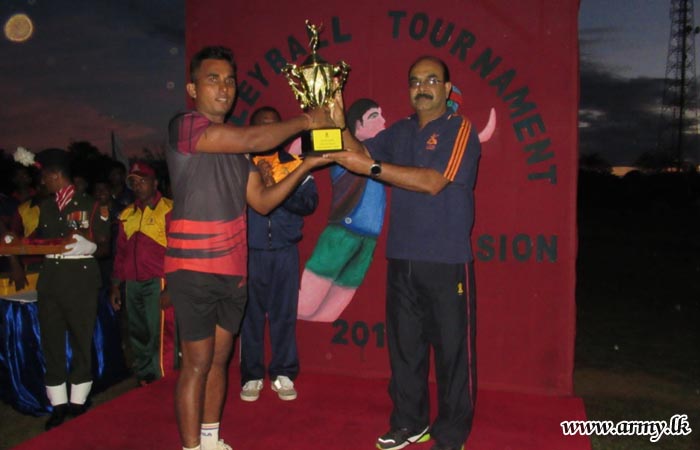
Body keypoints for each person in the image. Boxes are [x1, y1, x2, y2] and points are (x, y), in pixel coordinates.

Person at [165, 45, 332, 450]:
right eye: (213, 79)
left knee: (219, 360)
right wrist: (308, 119)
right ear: (192, 88)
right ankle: (191, 448)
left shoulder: (241, 153)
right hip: (194, 269)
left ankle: (210, 441)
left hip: (234, 270)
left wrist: (308, 165)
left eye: (230, 80)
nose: (224, 88)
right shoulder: (185, 127)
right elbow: (255, 136)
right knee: (196, 364)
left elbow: (263, 201)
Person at [326, 56, 481, 450]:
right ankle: (410, 423)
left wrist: (372, 167)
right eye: (415, 81)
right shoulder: (400, 131)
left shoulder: (459, 128)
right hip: (401, 258)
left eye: (431, 80)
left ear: (447, 89)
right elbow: (357, 151)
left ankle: (451, 435)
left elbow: (433, 182)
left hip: (446, 261)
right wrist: (338, 122)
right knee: (405, 349)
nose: (422, 87)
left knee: (452, 354)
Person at [239, 107, 318, 402]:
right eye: (262, 126)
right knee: (250, 316)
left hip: (285, 251)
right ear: (253, 130)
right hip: (250, 252)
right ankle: (252, 375)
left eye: (274, 126)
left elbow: (310, 203)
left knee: (284, 314)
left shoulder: (295, 164)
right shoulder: (240, 164)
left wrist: (276, 189)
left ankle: (283, 372)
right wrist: (258, 183)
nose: (269, 132)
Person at [32, 148, 111, 430]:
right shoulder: (45, 206)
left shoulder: (91, 204)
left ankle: (78, 402)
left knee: (80, 340)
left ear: (55, 174)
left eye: (44, 176)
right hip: (51, 281)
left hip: (80, 281)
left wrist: (90, 247)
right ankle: (58, 404)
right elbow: (40, 241)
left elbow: (105, 247)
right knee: (51, 342)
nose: (42, 182)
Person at [298, 98, 387, 322]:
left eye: (381, 114)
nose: (383, 121)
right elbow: (299, 147)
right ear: (357, 125)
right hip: (341, 235)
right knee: (303, 308)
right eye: (374, 116)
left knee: (329, 315)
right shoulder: (341, 147)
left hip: (368, 241)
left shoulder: (385, 151)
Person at [110, 162, 173, 386]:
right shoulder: (127, 214)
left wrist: (172, 286)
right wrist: (115, 284)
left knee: (160, 332)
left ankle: (162, 377)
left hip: (159, 281)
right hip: (132, 283)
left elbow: (178, 251)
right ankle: (146, 375)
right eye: (134, 182)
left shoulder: (169, 209)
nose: (138, 186)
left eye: (142, 181)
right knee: (138, 332)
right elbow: (121, 252)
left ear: (155, 183)